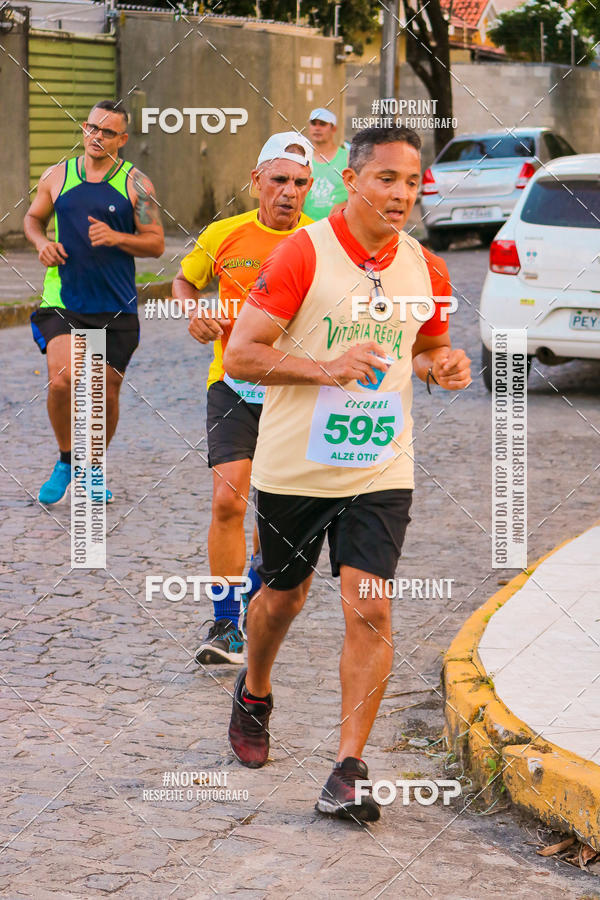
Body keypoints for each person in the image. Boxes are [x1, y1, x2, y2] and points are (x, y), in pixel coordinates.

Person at [223, 126, 471, 822]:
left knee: (372, 604)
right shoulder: (303, 254)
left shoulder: (428, 267)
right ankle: (256, 688)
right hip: (296, 465)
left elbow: (429, 349)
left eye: (413, 182)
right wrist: (325, 368)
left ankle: (348, 768)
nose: (400, 193)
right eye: (387, 178)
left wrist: (441, 366)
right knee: (283, 600)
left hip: (381, 463)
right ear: (354, 180)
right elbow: (243, 354)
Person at [172, 132, 313, 666]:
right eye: (279, 180)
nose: (288, 192)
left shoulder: (321, 241)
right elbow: (185, 282)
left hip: (293, 392)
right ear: (256, 182)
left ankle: (260, 586)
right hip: (232, 384)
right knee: (229, 500)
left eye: (299, 183)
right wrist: (195, 311)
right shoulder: (224, 234)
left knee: (276, 512)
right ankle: (227, 624)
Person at [25, 99, 164, 505]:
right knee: (63, 378)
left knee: (104, 391)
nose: (96, 137)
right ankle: (67, 459)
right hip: (63, 299)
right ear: (84, 130)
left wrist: (117, 237)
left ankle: (93, 466)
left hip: (115, 304)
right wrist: (41, 243)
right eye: (91, 128)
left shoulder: (138, 184)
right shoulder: (57, 175)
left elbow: (155, 243)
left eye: (107, 132)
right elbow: (33, 219)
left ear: (121, 139)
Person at [303, 108, 348, 220]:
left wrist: (348, 203)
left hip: (339, 228)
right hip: (309, 229)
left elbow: (364, 191)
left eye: (322, 124)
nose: (317, 128)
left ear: (334, 129)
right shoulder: (303, 159)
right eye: (313, 123)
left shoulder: (348, 157)